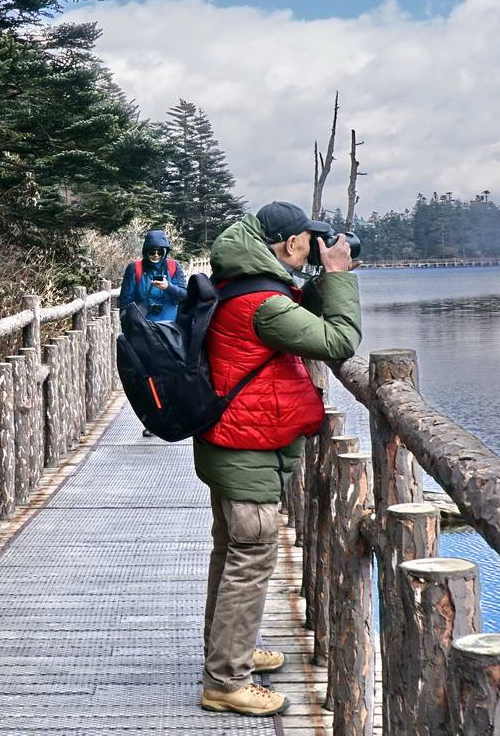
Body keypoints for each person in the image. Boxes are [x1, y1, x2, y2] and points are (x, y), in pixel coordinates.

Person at [195, 201, 361, 717]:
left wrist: (321, 278)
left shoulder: (242, 284)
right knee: (251, 555)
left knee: (232, 552)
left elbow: (297, 313)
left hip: (230, 440)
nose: (316, 249)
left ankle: (228, 652)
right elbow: (339, 340)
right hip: (244, 445)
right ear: (291, 244)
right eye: (312, 242)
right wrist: (337, 276)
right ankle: (227, 681)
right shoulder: (261, 303)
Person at [119, 229, 188, 436]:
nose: (156, 256)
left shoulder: (174, 268)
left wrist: (168, 287)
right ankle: (154, 421)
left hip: (169, 331)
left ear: (165, 251)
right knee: (148, 379)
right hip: (143, 333)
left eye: (159, 252)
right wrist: (129, 331)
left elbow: (184, 295)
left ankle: (176, 417)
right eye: (152, 252)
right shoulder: (136, 269)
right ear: (145, 250)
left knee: (173, 375)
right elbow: (125, 302)